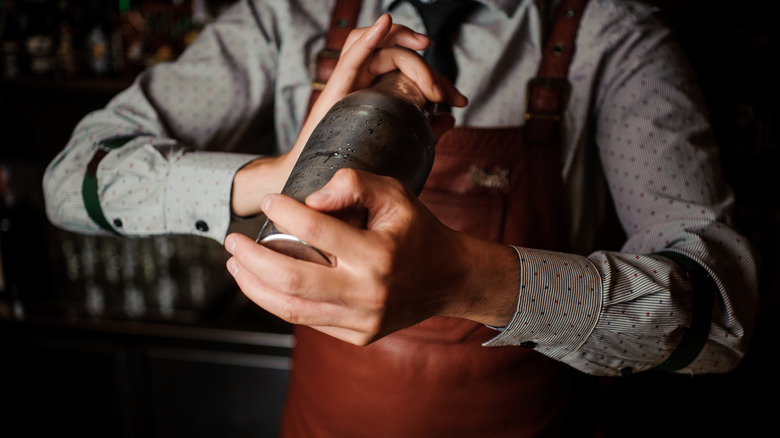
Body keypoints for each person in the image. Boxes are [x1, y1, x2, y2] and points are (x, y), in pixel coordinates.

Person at [43, 0, 759, 436]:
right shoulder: (284, 16)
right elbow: (72, 180)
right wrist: (284, 173)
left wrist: (468, 282)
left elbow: (720, 324)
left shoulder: (612, 33)